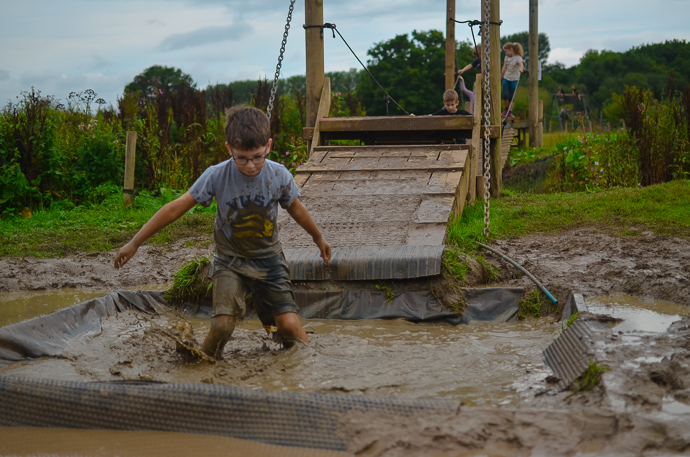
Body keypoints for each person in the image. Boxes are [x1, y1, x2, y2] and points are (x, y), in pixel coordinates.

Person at [113, 105, 331, 359]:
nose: (250, 165)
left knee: (289, 326)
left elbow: (297, 209)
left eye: (257, 157)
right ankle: (202, 367)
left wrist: (318, 238)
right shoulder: (216, 176)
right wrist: (135, 242)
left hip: (269, 260)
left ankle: (309, 365)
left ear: (268, 146)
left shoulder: (279, 175)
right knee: (222, 325)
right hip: (230, 261)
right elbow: (175, 209)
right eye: (242, 158)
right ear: (229, 149)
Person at [500, 42, 524, 118]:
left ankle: (510, 111)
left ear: (511, 49)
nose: (506, 53)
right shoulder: (506, 58)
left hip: (514, 79)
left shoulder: (518, 58)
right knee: (505, 95)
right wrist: (501, 77)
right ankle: (505, 109)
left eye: (506, 51)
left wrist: (521, 68)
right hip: (506, 77)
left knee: (511, 96)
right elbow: (504, 67)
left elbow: (521, 64)